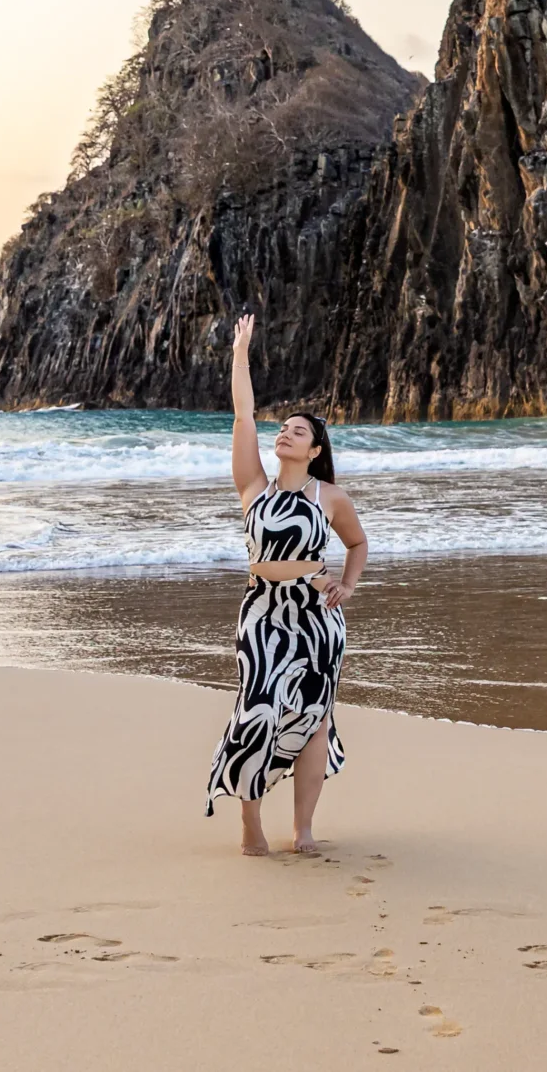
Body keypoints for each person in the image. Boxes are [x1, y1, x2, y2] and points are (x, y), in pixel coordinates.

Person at [204, 313, 367, 855]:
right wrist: (240, 354)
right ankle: (250, 823)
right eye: (284, 428)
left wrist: (348, 586)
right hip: (262, 615)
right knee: (257, 713)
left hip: (317, 619)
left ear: (316, 449)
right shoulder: (254, 486)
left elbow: (358, 545)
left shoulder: (330, 498)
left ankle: (303, 830)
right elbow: (243, 414)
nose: (286, 433)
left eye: (298, 431)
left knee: (314, 720)